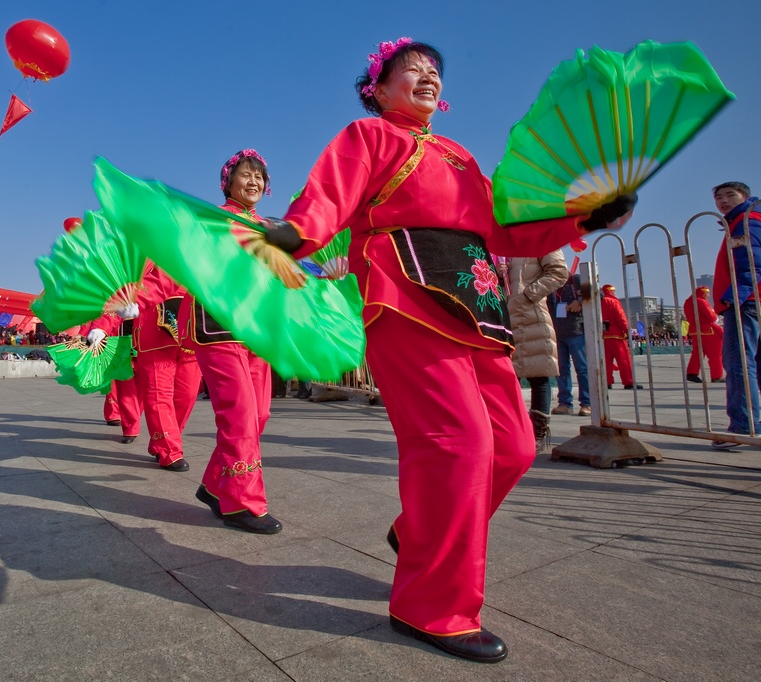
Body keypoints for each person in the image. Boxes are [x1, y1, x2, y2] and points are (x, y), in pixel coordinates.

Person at [263, 39, 635, 662]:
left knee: (514, 447)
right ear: (378, 90)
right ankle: (431, 605)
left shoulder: (461, 156)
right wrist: (296, 233)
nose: (427, 77)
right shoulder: (369, 135)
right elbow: (328, 195)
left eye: (434, 71)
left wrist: (586, 217)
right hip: (404, 293)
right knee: (456, 443)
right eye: (411, 70)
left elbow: (507, 229)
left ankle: (416, 534)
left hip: (476, 304)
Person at [182, 149, 282, 535]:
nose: (254, 181)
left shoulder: (268, 226)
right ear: (229, 181)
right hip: (219, 327)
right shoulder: (213, 220)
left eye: (260, 176)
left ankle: (214, 486)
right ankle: (242, 502)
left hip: (257, 332)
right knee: (239, 413)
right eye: (246, 174)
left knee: (258, 415)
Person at [711, 181, 761, 448]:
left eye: (730, 195)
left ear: (745, 197)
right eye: (718, 197)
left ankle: (744, 426)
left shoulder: (747, 220)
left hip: (750, 301)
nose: (723, 201)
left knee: (739, 363)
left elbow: (752, 262)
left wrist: (735, 297)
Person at [130, 262, 202, 471]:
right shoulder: (138, 246)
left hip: (190, 326)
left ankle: (164, 439)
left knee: (187, 394)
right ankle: (168, 449)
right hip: (154, 325)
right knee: (158, 392)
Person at [502, 250, 568, 453]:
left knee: (538, 375)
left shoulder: (541, 242)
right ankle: (515, 432)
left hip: (531, 315)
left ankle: (538, 433)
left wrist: (528, 295)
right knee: (506, 376)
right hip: (506, 318)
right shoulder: (505, 247)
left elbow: (559, 272)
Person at [548, 273, 592, 416]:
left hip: (576, 331)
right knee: (561, 370)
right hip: (557, 333)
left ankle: (587, 403)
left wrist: (580, 301)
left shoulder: (577, 280)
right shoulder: (551, 284)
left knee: (582, 368)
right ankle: (565, 403)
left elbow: (599, 294)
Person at [683, 285, 724, 383]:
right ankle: (716, 376)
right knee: (715, 353)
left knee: (698, 352)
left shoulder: (688, 302)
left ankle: (691, 373)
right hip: (707, 330)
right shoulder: (701, 301)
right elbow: (711, 317)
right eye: (707, 293)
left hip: (694, 330)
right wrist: (716, 316)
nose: (708, 295)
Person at [600, 285, 639, 389]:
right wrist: (628, 331)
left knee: (606, 362)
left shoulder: (598, 303)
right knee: (624, 360)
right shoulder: (613, 302)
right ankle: (628, 382)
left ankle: (607, 382)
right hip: (617, 336)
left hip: (603, 336)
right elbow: (621, 318)